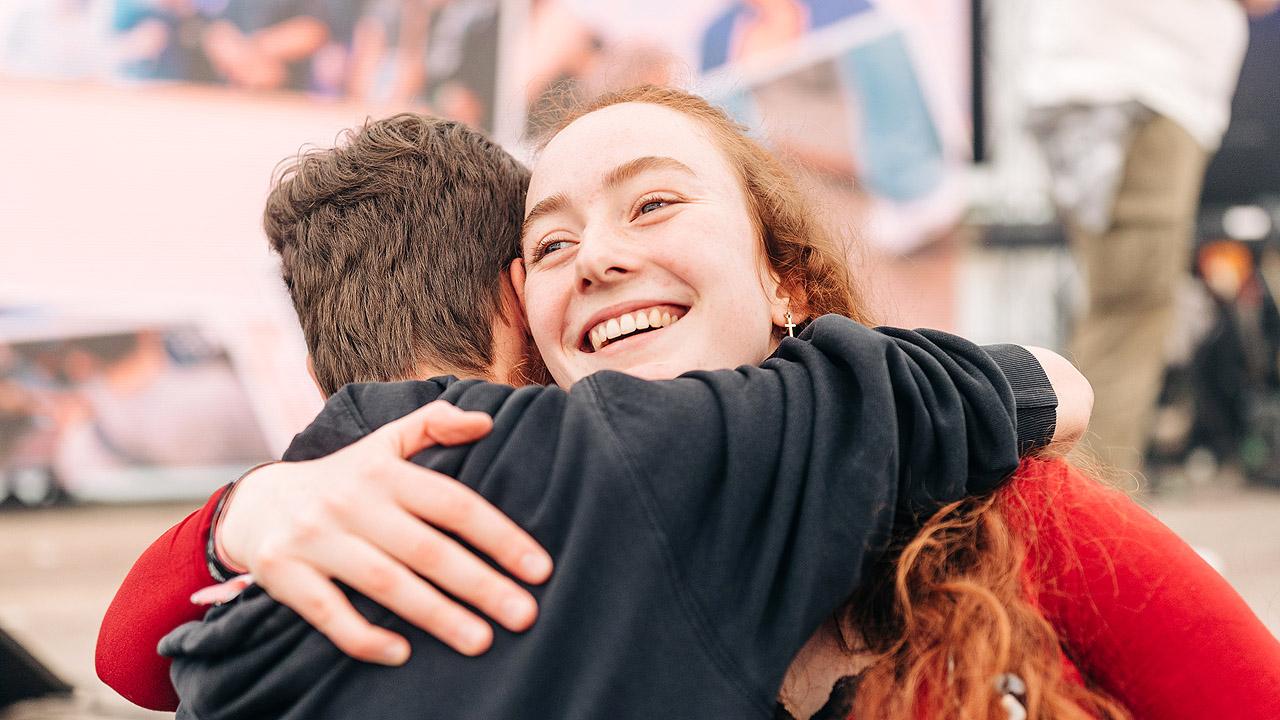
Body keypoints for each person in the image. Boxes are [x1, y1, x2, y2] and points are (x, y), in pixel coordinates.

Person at [98, 96, 1280, 717]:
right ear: (524, 328)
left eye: (653, 204)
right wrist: (248, 509)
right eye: (551, 240)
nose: (598, 258)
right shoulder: (434, 508)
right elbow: (132, 646)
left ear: (784, 278)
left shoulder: (1001, 500)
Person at [1024, 0, 1279, 477]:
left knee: (1116, 309)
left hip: (1095, 81)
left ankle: (1081, 522)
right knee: (1129, 314)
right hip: (1143, 87)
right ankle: (1093, 534)